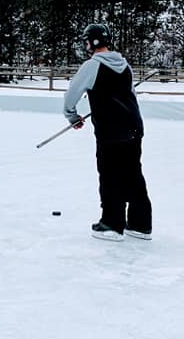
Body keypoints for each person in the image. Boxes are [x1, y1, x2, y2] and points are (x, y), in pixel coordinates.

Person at [63, 24, 152, 241]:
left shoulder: (92, 66)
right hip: (133, 127)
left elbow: (71, 96)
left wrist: (72, 116)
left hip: (111, 130)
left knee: (111, 174)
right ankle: (140, 225)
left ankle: (112, 224)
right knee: (133, 173)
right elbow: (130, 95)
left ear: (91, 42)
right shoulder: (124, 64)